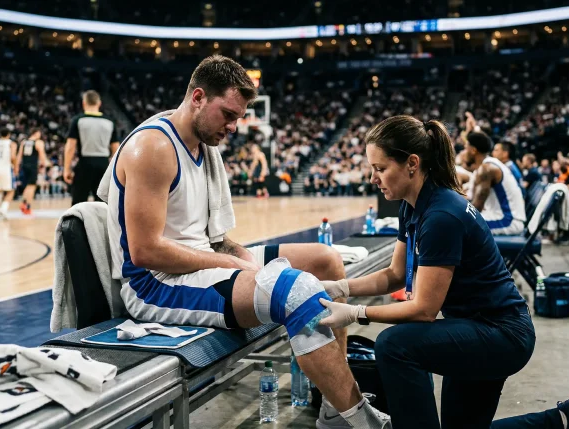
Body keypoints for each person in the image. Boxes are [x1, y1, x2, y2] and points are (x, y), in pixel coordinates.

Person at [96, 55, 389, 429]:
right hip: (155, 284)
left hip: (199, 260)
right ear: (198, 97)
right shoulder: (153, 147)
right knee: (297, 291)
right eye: (228, 114)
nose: (234, 127)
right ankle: (354, 418)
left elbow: (212, 239)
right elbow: (145, 251)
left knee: (326, 260)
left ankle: (330, 404)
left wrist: (237, 255)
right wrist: (230, 264)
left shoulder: (202, 146)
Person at [318, 115, 569, 429]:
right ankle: (563, 420)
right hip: (477, 327)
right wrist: (340, 286)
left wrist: (357, 313)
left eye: (380, 169)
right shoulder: (412, 205)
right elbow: (396, 273)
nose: (373, 178)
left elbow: (424, 310)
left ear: (412, 163)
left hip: (501, 334)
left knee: (394, 345)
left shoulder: (441, 215)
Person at [463, 131, 526, 236]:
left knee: (459, 227)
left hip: (508, 221)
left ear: (473, 150)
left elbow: (476, 208)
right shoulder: (486, 166)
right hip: (501, 217)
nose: (464, 152)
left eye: (466, 148)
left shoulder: (487, 169)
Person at [64, 90, 119, 206]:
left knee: (78, 203)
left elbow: (70, 147)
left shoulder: (78, 120)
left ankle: (78, 224)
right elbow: (116, 148)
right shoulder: (109, 122)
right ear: (99, 103)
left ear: (84, 103)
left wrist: (66, 168)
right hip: (104, 164)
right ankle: (103, 225)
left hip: (85, 163)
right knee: (103, 204)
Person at [15, 128, 49, 215]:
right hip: (33, 166)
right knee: (32, 187)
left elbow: (19, 155)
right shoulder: (38, 142)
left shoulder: (24, 142)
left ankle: (24, 204)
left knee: (27, 186)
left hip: (24, 166)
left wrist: (17, 167)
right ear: (36, 133)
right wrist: (44, 164)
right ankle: (27, 206)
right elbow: (42, 155)